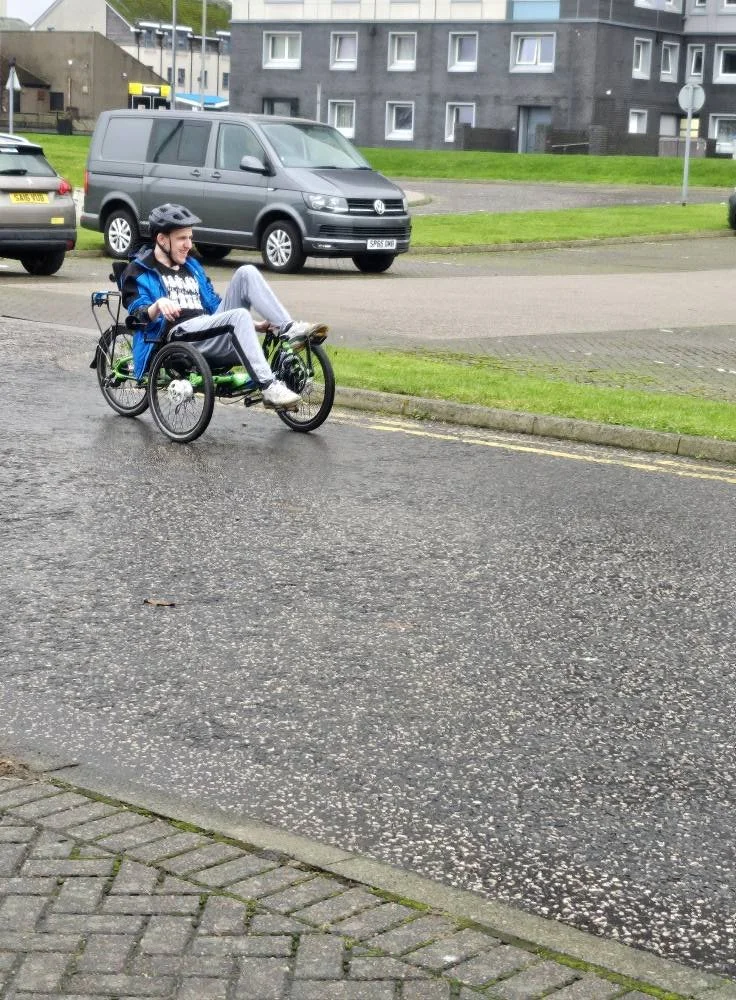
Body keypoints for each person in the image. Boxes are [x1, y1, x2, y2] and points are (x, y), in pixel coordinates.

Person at [121, 203, 328, 410]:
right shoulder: (140, 271)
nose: (189, 244)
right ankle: (269, 387)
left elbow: (214, 305)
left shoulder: (191, 266)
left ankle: (288, 329)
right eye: (182, 238)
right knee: (238, 315)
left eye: (190, 237)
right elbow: (137, 315)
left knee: (246, 272)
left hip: (207, 328)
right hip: (178, 336)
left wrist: (255, 325)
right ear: (162, 239)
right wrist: (158, 305)